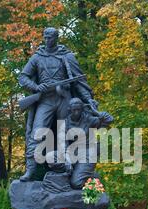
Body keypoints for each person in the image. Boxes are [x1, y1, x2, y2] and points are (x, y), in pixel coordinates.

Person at [18, 27, 99, 182]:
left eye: (51, 37)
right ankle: (30, 170)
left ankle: (71, 170)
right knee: (36, 134)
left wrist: (88, 100)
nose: (48, 40)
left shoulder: (66, 56)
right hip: (45, 100)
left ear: (57, 38)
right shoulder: (37, 57)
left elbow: (79, 82)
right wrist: (36, 87)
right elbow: (23, 77)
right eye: (45, 37)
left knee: (68, 134)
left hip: (65, 99)